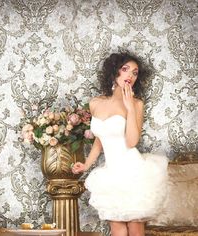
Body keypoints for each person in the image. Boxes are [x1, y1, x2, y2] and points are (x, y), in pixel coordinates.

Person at [72, 52, 168, 236]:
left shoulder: (137, 104)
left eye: (135, 72)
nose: (130, 76)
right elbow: (100, 141)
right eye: (125, 70)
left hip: (134, 171)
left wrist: (130, 108)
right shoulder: (95, 103)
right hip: (111, 173)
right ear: (114, 71)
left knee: (135, 228)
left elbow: (132, 142)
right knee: (117, 229)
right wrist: (85, 165)